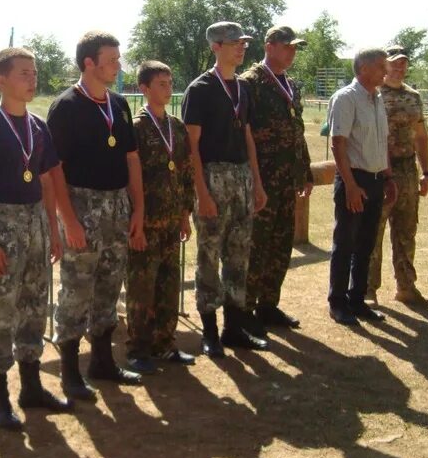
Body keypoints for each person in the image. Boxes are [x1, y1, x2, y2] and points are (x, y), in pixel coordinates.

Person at [0, 47, 73, 428]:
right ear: (1, 80)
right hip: (0, 223)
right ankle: (0, 400)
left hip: (35, 226)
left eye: (34, 73)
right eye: (23, 73)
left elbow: (46, 179)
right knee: (0, 310)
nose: (32, 79)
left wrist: (52, 229)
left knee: (34, 306)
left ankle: (31, 388)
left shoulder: (39, 126)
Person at [47, 30, 145, 401]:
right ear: (89, 63)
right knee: (76, 289)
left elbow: (131, 160)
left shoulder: (119, 104)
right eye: (112, 59)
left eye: (119, 59)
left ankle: (103, 363)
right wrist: (68, 220)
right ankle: (70, 372)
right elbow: (55, 169)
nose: (118, 66)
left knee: (109, 285)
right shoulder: (66, 107)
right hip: (81, 207)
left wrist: (137, 209)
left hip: (117, 207)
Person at [182, 22, 268, 356]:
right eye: (234, 43)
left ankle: (235, 327)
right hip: (213, 177)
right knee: (209, 255)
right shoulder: (200, 88)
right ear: (216, 46)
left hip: (242, 177)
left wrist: (257, 182)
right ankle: (210, 331)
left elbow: (247, 135)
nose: (241, 48)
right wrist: (201, 192)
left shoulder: (243, 89)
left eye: (244, 42)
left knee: (239, 254)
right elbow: (192, 144)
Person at [240, 26, 313, 329]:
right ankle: (244, 310)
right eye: (287, 46)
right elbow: (243, 134)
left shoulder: (292, 84)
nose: (292, 52)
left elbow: (298, 130)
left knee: (281, 243)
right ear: (269, 46)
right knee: (256, 245)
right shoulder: (250, 83)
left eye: (295, 47)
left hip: (286, 179)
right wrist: (254, 180)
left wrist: (305, 170)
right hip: (262, 178)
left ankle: (268, 305)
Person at [125, 60, 196, 372]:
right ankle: (138, 350)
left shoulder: (177, 127)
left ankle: (165, 344)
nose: (168, 89)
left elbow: (185, 172)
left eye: (170, 83)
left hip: (170, 222)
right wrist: (135, 222)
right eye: (161, 84)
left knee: (168, 285)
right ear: (144, 89)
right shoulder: (136, 129)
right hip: (145, 223)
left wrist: (184, 214)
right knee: (141, 288)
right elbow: (129, 177)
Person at [327, 48, 399, 325]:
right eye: (381, 66)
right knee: (345, 243)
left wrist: (388, 177)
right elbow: (338, 144)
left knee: (366, 244)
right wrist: (351, 186)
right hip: (353, 178)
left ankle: (357, 300)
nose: (386, 71)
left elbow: (382, 143)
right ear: (365, 69)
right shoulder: (346, 98)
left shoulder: (377, 99)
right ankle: (337, 302)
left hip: (376, 179)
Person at [367, 44, 428, 305]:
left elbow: (421, 136)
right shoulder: (373, 94)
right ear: (384, 65)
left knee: (406, 230)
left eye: (403, 62)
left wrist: (426, 172)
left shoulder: (413, 96)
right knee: (374, 231)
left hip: (407, 169)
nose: (399, 67)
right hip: (380, 170)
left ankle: (406, 286)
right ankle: (367, 289)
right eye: (394, 62)